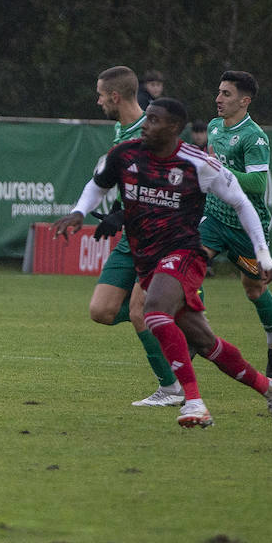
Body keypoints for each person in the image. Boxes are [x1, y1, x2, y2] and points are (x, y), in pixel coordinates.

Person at [53, 97, 272, 434]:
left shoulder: (196, 163)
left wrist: (263, 254)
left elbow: (241, 201)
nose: (146, 125)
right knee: (207, 344)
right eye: (146, 119)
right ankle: (269, 387)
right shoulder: (126, 154)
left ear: (174, 128)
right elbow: (98, 183)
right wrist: (79, 211)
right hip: (147, 257)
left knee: (153, 310)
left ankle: (192, 401)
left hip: (185, 253)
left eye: (154, 120)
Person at [78, 66, 182, 408]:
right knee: (102, 311)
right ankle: (170, 317)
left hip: (159, 236)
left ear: (115, 96)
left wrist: (123, 213)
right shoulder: (121, 132)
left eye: (100, 94)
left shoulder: (152, 131)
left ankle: (170, 388)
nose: (97, 101)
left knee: (139, 311)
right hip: (131, 238)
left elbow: (162, 188)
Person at [200, 70, 272, 377]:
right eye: (219, 92)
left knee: (253, 289)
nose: (218, 99)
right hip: (213, 217)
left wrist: (220, 171)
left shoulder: (254, 137)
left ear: (244, 101)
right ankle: (197, 334)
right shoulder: (213, 127)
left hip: (245, 225)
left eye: (226, 94)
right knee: (188, 269)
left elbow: (257, 183)